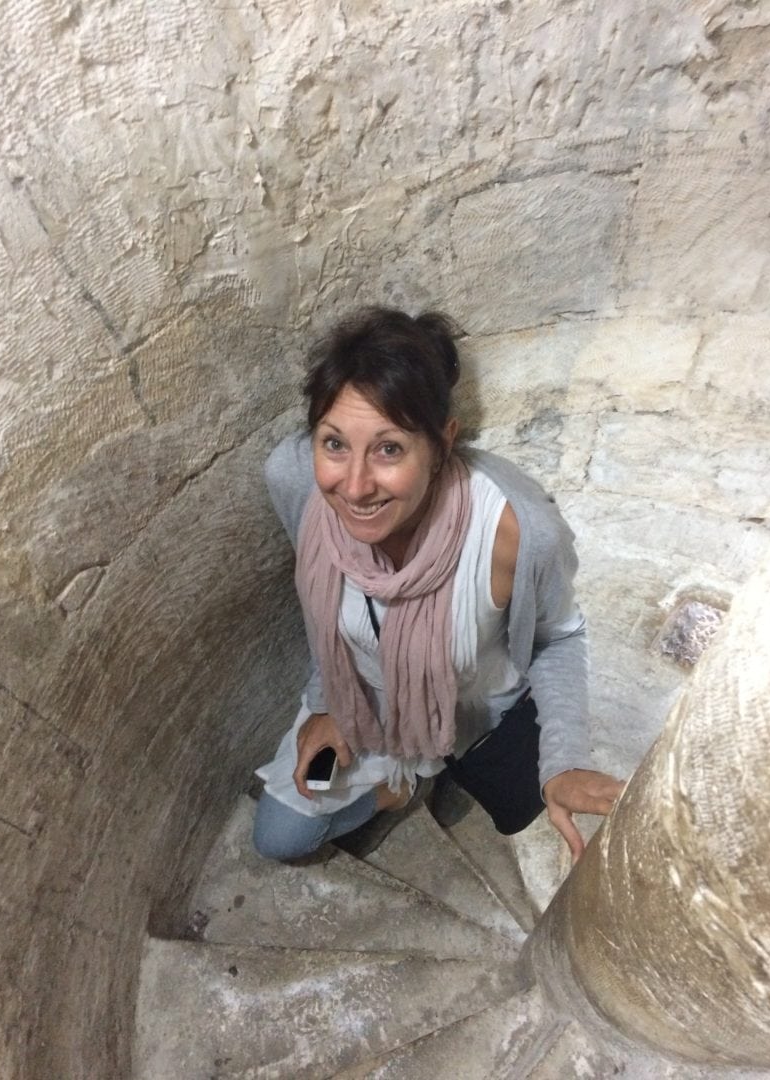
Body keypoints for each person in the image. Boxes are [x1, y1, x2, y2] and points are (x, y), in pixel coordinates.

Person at [253, 307, 623, 864]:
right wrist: (328, 702)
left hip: (463, 712)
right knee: (279, 838)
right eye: (334, 443)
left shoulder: (517, 533)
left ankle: (426, 770)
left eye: (389, 448)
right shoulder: (297, 481)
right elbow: (319, 605)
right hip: (361, 697)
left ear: (443, 443)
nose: (353, 488)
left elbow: (560, 639)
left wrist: (562, 758)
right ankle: (394, 790)